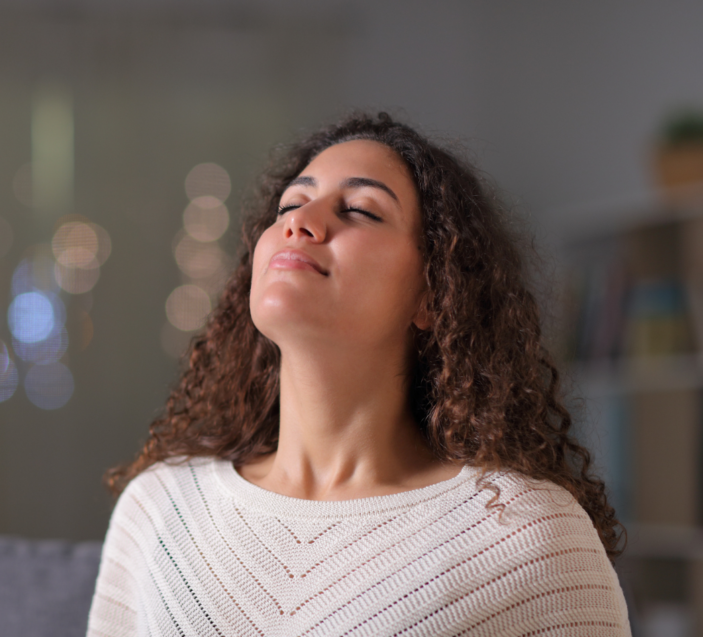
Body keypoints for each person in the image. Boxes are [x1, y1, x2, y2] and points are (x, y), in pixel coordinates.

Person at [87, 113, 631, 636]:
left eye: (361, 211)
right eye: (291, 204)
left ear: (433, 294)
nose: (301, 221)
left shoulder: (527, 533)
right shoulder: (160, 508)